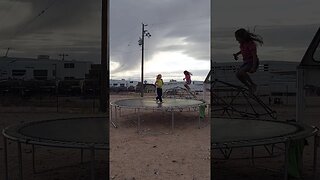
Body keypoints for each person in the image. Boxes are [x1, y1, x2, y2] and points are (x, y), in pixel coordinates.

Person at [233, 28, 263, 92]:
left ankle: (253, 85)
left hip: (252, 62)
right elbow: (243, 50)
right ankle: (249, 86)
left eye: (237, 38)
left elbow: (254, 56)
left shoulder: (251, 44)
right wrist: (237, 54)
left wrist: (253, 67)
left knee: (241, 72)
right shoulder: (243, 44)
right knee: (237, 75)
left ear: (242, 37)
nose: (236, 40)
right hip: (246, 62)